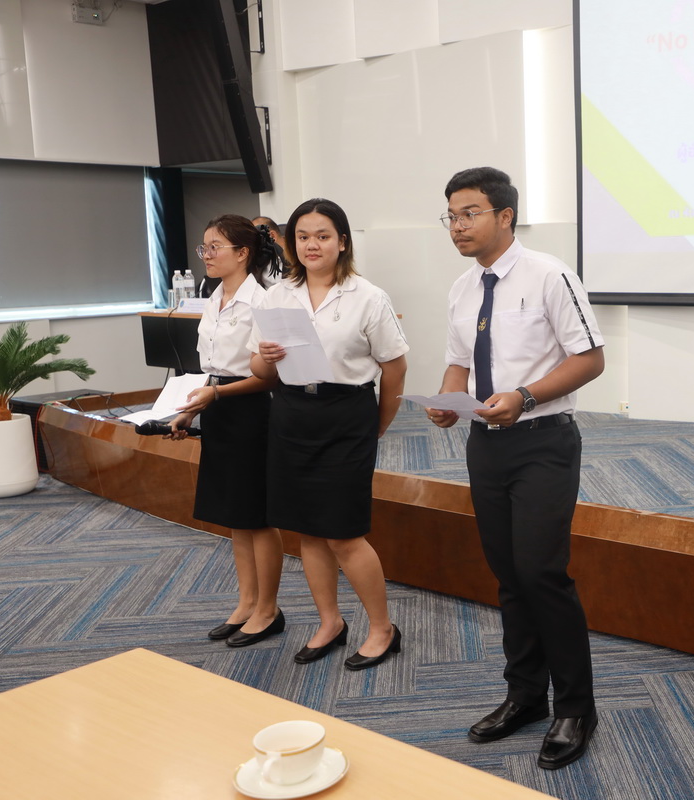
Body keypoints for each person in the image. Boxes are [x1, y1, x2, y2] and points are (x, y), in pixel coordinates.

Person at [427, 167, 605, 770]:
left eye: (469, 213)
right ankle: (525, 695)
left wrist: (525, 397)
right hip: (485, 443)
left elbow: (590, 359)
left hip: (542, 441)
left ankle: (575, 707)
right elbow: (459, 363)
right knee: (507, 574)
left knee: (541, 572)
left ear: (505, 216)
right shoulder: (462, 288)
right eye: (451, 216)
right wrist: (447, 400)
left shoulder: (550, 275)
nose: (458, 226)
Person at [249, 198, 409, 670]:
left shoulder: (368, 297)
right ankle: (330, 622)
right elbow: (259, 370)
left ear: (342, 241)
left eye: (322, 236)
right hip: (292, 414)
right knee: (308, 530)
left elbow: (395, 368)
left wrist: (378, 425)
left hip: (347, 414)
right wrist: (265, 358)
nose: (311, 245)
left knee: (344, 533)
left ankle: (382, 629)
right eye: (302, 237)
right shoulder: (277, 296)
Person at [169, 214, 284, 647]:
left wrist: (215, 395)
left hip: (252, 410)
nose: (206, 255)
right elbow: (211, 370)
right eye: (204, 247)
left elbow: (269, 378)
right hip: (216, 407)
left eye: (215, 247)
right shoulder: (212, 298)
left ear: (243, 253)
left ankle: (268, 609)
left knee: (258, 516)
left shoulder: (264, 302)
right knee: (235, 517)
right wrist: (191, 410)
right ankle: (246, 602)